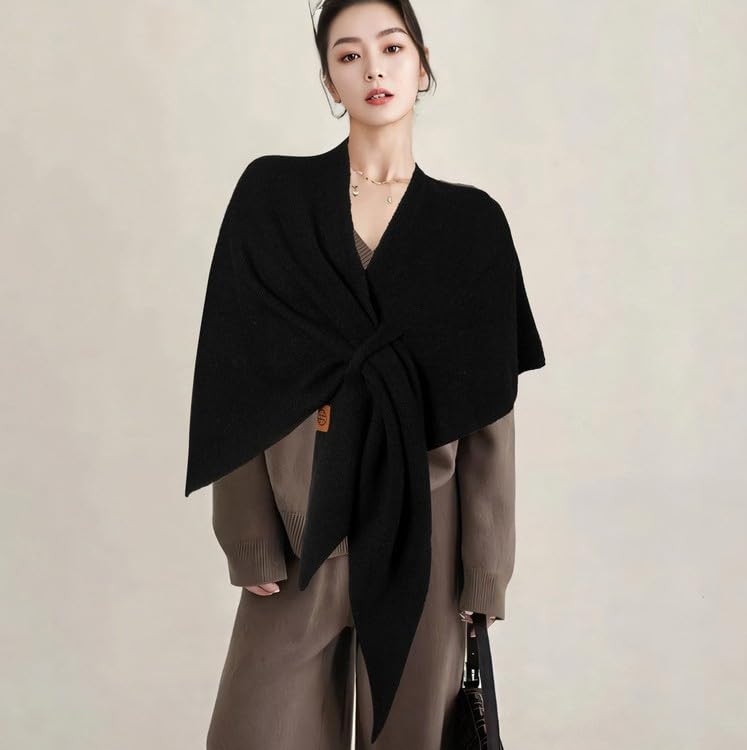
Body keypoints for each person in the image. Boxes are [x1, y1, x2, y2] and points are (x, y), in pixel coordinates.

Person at [195, 1, 544, 748]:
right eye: (349, 55)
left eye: (391, 48)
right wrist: (249, 534)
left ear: (423, 64)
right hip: (298, 534)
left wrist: (484, 574)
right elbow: (236, 370)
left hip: (428, 539)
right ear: (329, 80)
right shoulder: (273, 200)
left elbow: (489, 413)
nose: (373, 69)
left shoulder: (471, 227)